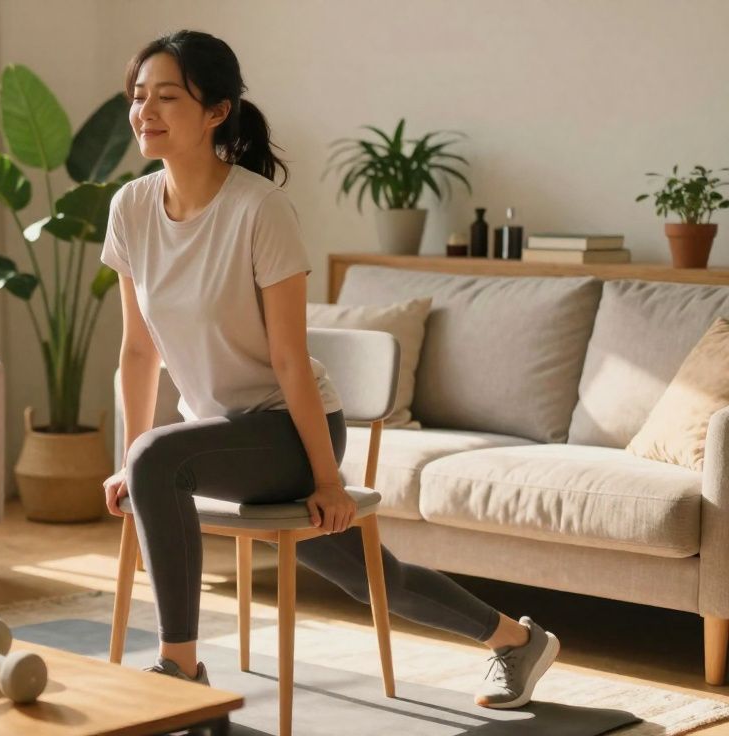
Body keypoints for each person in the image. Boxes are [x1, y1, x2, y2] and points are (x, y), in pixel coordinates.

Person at [99, 29, 559, 709]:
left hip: (289, 432)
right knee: (378, 580)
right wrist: (125, 459)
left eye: (168, 96)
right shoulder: (132, 209)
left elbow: (288, 355)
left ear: (217, 111)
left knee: (160, 459)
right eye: (140, 97)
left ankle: (180, 669)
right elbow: (139, 351)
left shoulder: (259, 209)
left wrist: (327, 479)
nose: (147, 112)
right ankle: (517, 642)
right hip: (221, 437)